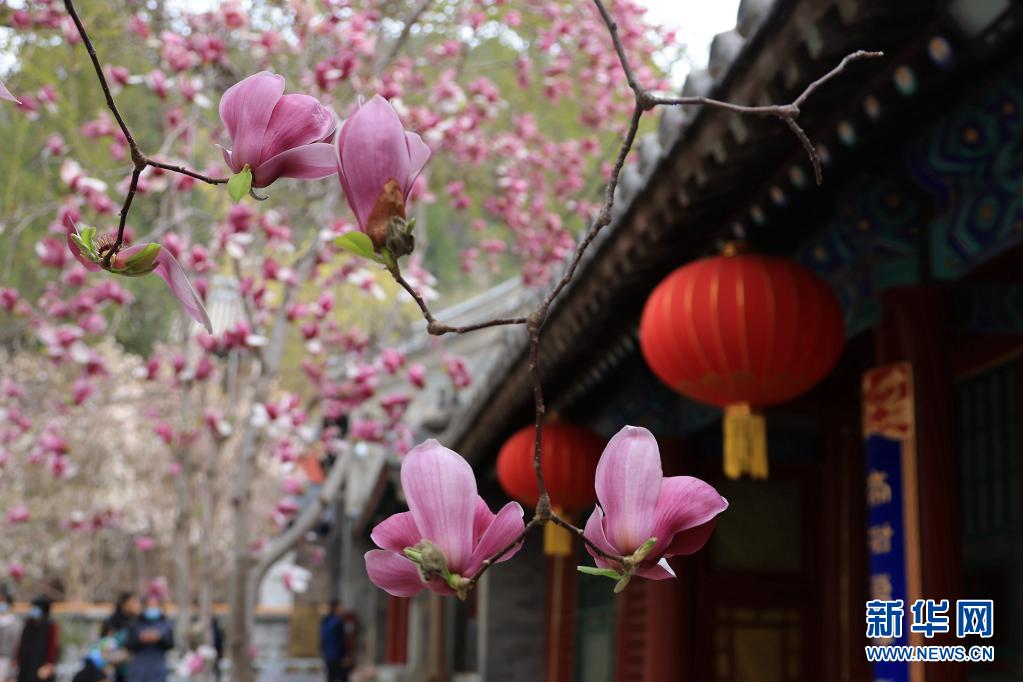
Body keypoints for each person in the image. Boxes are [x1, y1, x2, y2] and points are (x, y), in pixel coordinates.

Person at [125, 596, 173, 682]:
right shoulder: (135, 623)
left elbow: (170, 644)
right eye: (150, 605)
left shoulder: (165, 623)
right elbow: (129, 644)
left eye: (154, 605)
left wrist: (160, 638)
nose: (152, 607)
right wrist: (140, 639)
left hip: (158, 666)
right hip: (139, 667)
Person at [13, 596, 58, 682]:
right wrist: (17, 658)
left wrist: (49, 663)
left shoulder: (50, 626)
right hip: (25, 662)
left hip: (40, 663)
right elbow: (22, 643)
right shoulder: (28, 624)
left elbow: (52, 646)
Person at [104, 592, 139, 682]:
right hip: (117, 666)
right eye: (133, 602)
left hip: (134, 666)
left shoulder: (137, 620)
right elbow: (106, 642)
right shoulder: (113, 621)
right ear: (125, 603)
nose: (136, 605)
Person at [319, 600, 349, 682]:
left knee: (331, 677)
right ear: (336, 608)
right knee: (343, 677)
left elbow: (323, 639)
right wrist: (345, 655)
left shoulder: (324, 621)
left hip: (328, 656)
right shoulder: (337, 622)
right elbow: (341, 640)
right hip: (337, 656)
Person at [0, 588, 20, 681]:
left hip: (6, 660)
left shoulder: (15, 623)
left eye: (2, 601)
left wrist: (13, 666)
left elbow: (17, 644)